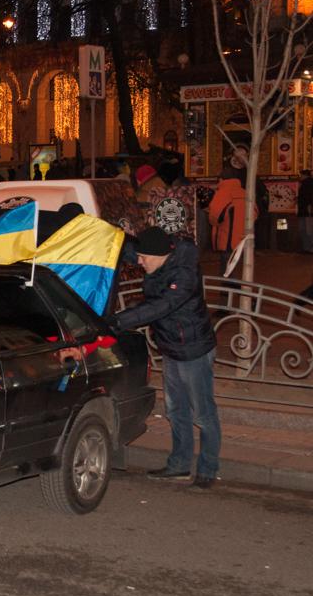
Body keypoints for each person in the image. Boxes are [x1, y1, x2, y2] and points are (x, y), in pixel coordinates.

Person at [107, 227, 221, 489]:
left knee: (203, 413)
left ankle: (208, 468)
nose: (139, 262)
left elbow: (161, 306)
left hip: (194, 350)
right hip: (171, 347)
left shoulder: (183, 275)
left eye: (143, 257)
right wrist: (98, 231)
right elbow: (125, 247)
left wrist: (118, 321)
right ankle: (179, 465)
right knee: (176, 410)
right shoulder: (156, 256)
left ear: (160, 256)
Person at [208, 174, 251, 275]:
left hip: (227, 238)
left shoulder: (223, 193)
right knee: (238, 267)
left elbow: (215, 217)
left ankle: (228, 284)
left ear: (221, 179)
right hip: (242, 237)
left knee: (227, 270)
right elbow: (254, 212)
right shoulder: (244, 192)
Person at [297, 169, 313, 253]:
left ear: (305, 175)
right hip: (306, 210)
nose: (300, 176)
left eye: (301, 175)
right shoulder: (304, 183)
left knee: (306, 230)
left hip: (306, 210)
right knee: (306, 229)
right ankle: (307, 248)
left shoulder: (307, 183)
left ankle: (308, 248)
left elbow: (308, 197)